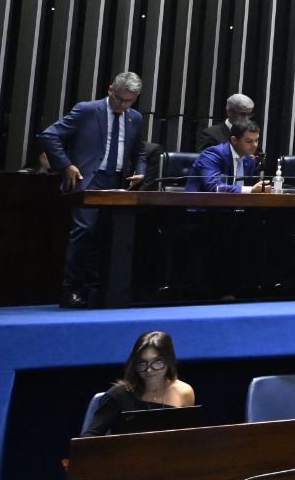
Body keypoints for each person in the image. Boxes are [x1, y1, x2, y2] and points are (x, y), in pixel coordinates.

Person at [40, 73, 148, 306]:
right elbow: (49, 135)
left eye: (129, 101)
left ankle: (97, 291)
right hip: (88, 179)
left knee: (109, 236)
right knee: (85, 232)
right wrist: (66, 165)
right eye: (119, 99)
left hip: (118, 182)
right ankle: (71, 290)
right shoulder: (87, 110)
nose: (123, 105)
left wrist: (140, 171)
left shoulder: (135, 117)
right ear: (110, 90)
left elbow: (140, 151)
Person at [82, 330, 196, 435]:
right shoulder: (118, 395)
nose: (149, 370)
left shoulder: (184, 392)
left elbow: (187, 440)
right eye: (142, 363)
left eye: (157, 361)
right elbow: (88, 439)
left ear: (169, 360)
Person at [188, 120, 271, 193]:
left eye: (256, 140)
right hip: (202, 204)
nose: (255, 145)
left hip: (235, 205)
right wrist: (251, 190)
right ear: (234, 140)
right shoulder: (212, 155)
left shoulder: (249, 160)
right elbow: (215, 187)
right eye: (249, 141)